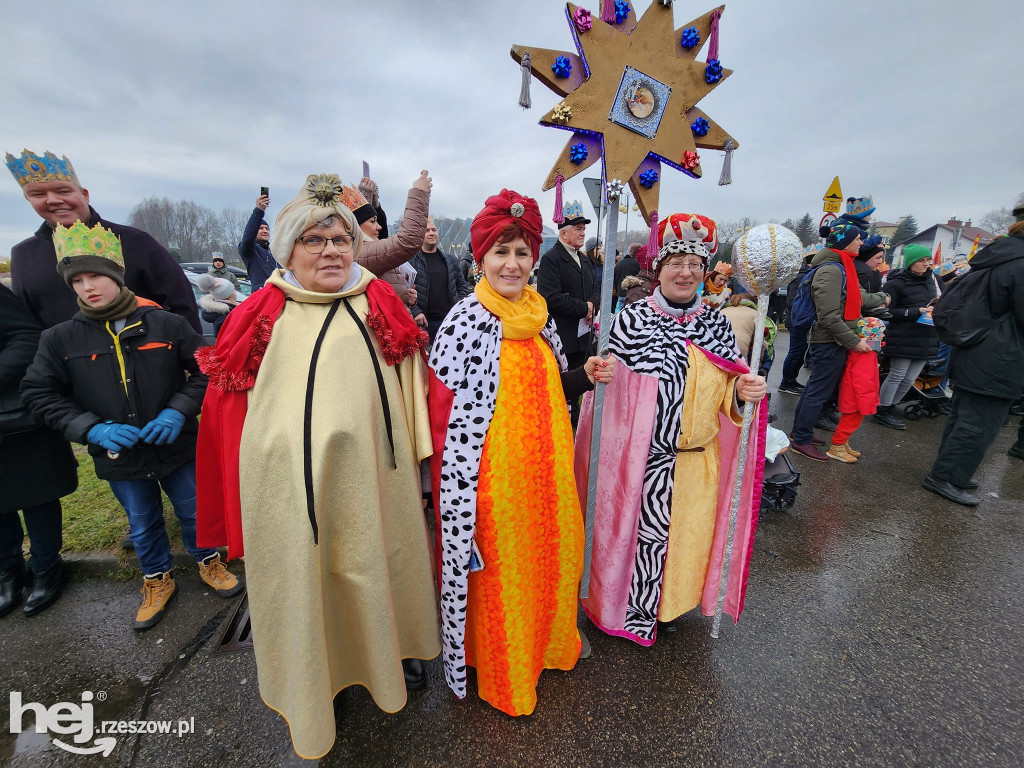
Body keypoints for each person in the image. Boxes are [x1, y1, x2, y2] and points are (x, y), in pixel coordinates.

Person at [195, 174, 439, 759]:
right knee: (308, 581)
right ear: (288, 250)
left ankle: (386, 657)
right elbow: (227, 415)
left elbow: (413, 388)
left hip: (374, 480)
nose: (330, 251)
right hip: (288, 492)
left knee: (374, 563)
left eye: (340, 239)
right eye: (314, 240)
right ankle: (315, 681)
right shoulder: (258, 314)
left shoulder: (378, 301)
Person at [428, 189, 612, 717]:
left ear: (535, 258)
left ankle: (545, 651)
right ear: (480, 259)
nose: (512, 264)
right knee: (504, 579)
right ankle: (504, 674)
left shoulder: (539, 316)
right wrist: (460, 498)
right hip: (494, 485)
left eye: (522, 253)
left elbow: (549, 384)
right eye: (500, 252)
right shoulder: (463, 324)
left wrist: (583, 376)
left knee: (548, 564)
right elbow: (442, 423)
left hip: (546, 477)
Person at [20, 221, 240, 631]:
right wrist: (89, 429)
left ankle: (209, 560)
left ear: (117, 277)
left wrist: (178, 410)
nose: (89, 287)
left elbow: (206, 372)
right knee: (141, 520)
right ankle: (156, 577)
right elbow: (39, 393)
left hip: (177, 446)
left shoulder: (167, 325)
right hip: (119, 454)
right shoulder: (59, 339)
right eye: (78, 280)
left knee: (194, 510)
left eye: (97, 275)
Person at [574, 221, 768, 646]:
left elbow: (727, 389)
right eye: (676, 263)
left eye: (695, 264)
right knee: (633, 539)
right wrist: (599, 375)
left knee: (683, 542)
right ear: (657, 271)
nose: (686, 272)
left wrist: (742, 389)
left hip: (697, 459)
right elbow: (606, 400)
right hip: (641, 460)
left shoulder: (716, 325)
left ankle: (665, 608)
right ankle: (622, 607)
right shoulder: (630, 321)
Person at [5, 149, 200, 332]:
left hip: (146, 363)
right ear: (27, 199)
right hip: (63, 366)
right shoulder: (24, 255)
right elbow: (27, 325)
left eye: (63, 191)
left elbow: (181, 305)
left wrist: (186, 359)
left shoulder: (135, 241)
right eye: (38, 194)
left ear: (85, 195)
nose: (53, 200)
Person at [923, 212, 1024, 506]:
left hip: (978, 351)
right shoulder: (1019, 264)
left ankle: (952, 472)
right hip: (999, 356)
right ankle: (944, 477)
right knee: (979, 423)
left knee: (965, 418)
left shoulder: (1000, 258)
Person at [0, 285, 78, 618]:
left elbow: (26, 336)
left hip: (13, 416)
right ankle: (8, 570)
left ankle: (46, 565)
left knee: (35, 490)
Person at [789, 223, 889, 461]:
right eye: (857, 239)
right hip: (829, 341)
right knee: (818, 391)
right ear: (845, 242)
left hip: (834, 339)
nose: (861, 243)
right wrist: (854, 341)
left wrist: (881, 298)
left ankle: (799, 432)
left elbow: (855, 297)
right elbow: (829, 317)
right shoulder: (832, 270)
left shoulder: (842, 267)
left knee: (816, 388)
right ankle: (801, 439)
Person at [537, 199, 597, 425]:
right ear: (563, 234)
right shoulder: (551, 259)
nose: (583, 233)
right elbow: (550, 297)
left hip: (583, 334)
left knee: (582, 376)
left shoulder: (583, 258)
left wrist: (593, 304)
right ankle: (564, 419)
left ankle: (577, 419)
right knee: (566, 380)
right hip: (564, 335)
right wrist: (585, 308)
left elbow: (594, 290)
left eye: (584, 229)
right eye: (578, 229)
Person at [341, 173, 432, 312]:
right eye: (373, 222)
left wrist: (406, 299)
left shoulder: (364, 250)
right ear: (356, 227)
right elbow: (408, 240)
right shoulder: (360, 253)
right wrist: (419, 193)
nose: (379, 226)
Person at [873, 244, 939, 430]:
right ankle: (882, 409)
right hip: (903, 335)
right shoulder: (895, 283)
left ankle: (891, 407)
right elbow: (888, 313)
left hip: (926, 335)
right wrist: (915, 311)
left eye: (928, 260)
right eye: (921, 260)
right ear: (911, 263)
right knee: (897, 374)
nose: (926, 264)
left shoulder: (933, 280)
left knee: (910, 379)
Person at [827, 319, 882, 463]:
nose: (883, 336)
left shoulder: (864, 350)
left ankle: (842, 443)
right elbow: (863, 379)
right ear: (872, 335)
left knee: (849, 421)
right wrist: (866, 400)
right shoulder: (866, 354)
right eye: (881, 333)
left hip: (855, 394)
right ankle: (837, 445)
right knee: (850, 421)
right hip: (858, 395)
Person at [409, 217, 471, 342]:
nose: (432, 233)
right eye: (427, 231)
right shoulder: (412, 262)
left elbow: (462, 287)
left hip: (450, 321)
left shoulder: (451, 259)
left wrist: (458, 308)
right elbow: (407, 292)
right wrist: (416, 312)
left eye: (434, 230)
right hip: (425, 323)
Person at [778, 251, 814, 395]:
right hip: (797, 320)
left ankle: (791, 380)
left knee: (800, 350)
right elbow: (792, 301)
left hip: (800, 319)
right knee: (796, 351)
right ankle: (786, 382)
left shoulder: (804, 275)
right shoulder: (801, 277)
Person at [238, 195, 275, 290]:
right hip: (261, 296)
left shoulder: (274, 252)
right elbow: (248, 237)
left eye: (267, 229)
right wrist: (259, 211)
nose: (265, 231)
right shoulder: (250, 250)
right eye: (261, 228)